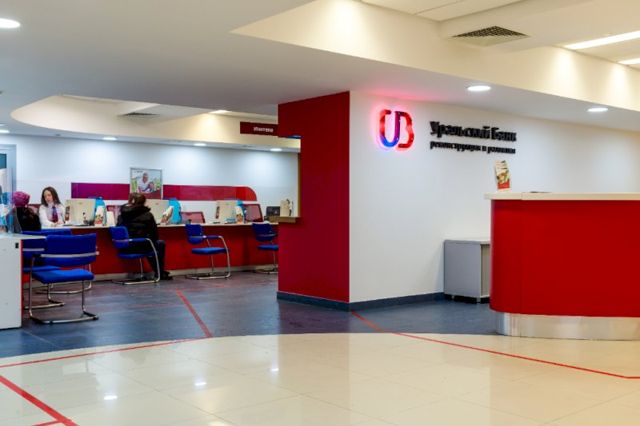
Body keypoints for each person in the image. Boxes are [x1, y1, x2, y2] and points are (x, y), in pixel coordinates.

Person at [117, 193, 171, 280]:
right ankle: (159, 272)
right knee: (159, 243)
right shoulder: (147, 215)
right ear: (143, 202)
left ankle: (160, 272)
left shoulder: (121, 215)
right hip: (140, 246)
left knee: (152, 244)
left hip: (124, 247)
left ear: (130, 201)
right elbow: (154, 234)